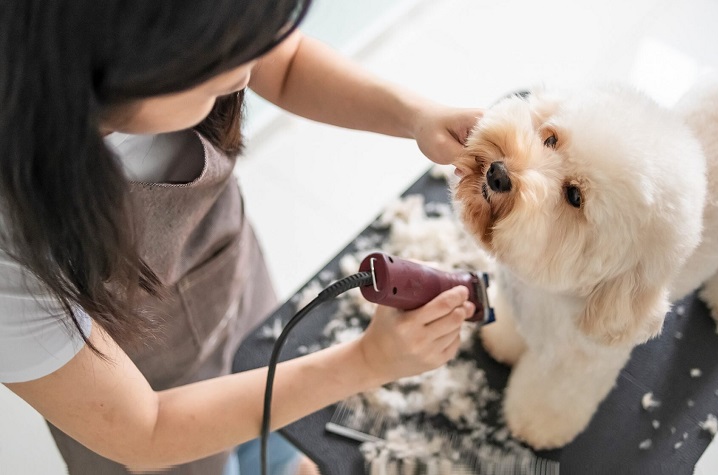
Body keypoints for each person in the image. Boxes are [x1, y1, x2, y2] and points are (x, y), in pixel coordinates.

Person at [0, 1, 482, 474]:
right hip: (147, 417)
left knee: (277, 427)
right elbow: (146, 432)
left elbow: (285, 63)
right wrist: (366, 362)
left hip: (233, 290)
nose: (246, 73)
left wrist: (417, 117)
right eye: (224, 63)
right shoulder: (12, 241)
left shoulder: (193, 39)